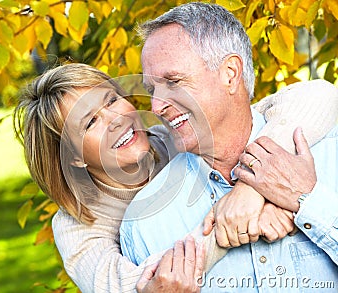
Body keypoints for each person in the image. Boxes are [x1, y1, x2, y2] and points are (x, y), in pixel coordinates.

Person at [14, 64, 336, 292]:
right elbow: (146, 287)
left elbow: (316, 97)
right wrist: (242, 221)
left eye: (111, 100)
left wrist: (254, 188)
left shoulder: (173, 138)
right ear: (72, 156)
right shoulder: (76, 224)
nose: (117, 120)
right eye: (91, 122)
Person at [119, 2, 338, 292]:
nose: (157, 106)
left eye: (173, 81)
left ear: (230, 74)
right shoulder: (145, 223)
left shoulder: (330, 155)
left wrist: (308, 204)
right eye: (152, 90)